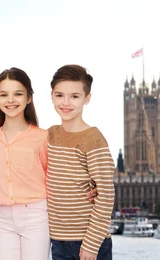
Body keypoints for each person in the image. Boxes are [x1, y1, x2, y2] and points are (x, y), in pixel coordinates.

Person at [46, 65, 115, 260]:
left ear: (87, 98)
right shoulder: (49, 135)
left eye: (74, 96)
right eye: (59, 95)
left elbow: (106, 196)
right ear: (51, 96)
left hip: (89, 243)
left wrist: (91, 245)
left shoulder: (93, 139)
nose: (66, 102)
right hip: (58, 241)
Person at [0, 68, 50, 260]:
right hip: (3, 217)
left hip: (36, 216)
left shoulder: (42, 137)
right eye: (4, 94)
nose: (11, 100)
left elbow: (54, 176)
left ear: (29, 98)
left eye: (18, 94)